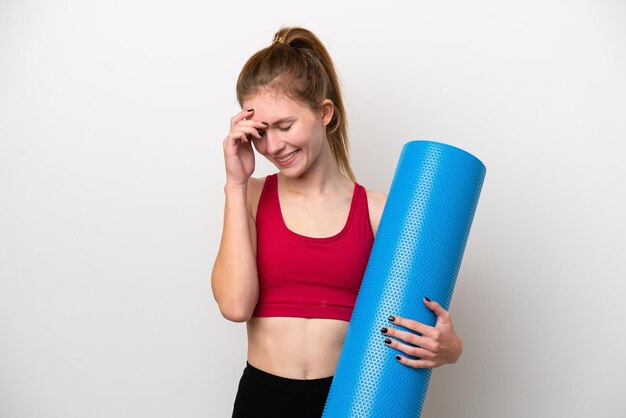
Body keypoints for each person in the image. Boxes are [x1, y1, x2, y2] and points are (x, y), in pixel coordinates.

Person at [211, 26, 464, 418]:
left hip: (352, 401)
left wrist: (450, 348)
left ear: (324, 113)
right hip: (263, 400)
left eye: (285, 126)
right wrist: (234, 182)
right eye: (261, 133)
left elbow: (417, 322)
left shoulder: (380, 211)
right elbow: (235, 305)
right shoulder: (250, 196)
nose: (273, 146)